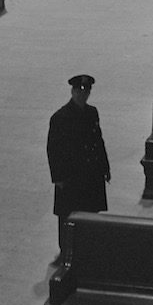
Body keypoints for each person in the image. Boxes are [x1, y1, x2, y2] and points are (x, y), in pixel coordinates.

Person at [46, 73, 111, 258]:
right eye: (80, 91)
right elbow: (53, 150)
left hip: (91, 173)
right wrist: (58, 178)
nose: (83, 94)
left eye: (87, 91)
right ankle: (66, 249)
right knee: (68, 214)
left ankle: (89, 247)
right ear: (73, 91)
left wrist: (105, 167)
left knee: (90, 210)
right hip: (71, 177)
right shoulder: (60, 117)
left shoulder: (92, 112)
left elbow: (98, 141)